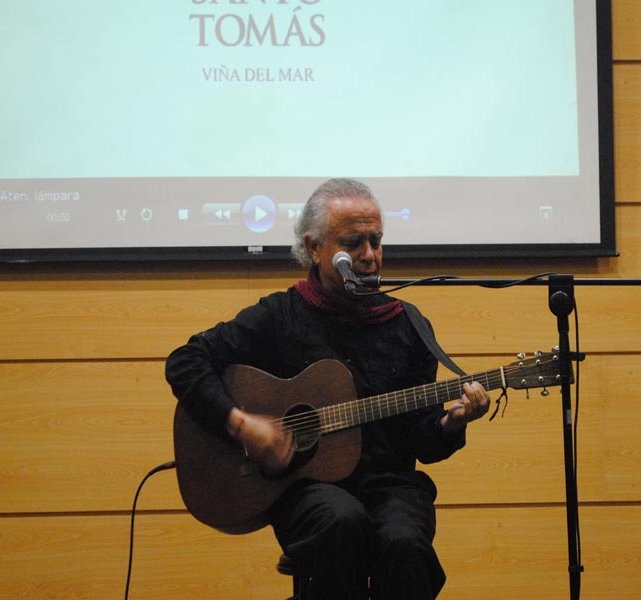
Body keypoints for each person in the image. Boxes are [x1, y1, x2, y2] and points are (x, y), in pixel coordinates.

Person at [165, 178, 491, 599]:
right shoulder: (281, 315)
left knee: (404, 545)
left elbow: (421, 440)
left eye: (377, 241)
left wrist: (450, 422)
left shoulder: (408, 323)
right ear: (314, 247)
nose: (370, 256)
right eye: (354, 242)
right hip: (308, 491)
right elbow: (186, 361)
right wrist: (243, 426)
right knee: (341, 521)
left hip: (390, 485)